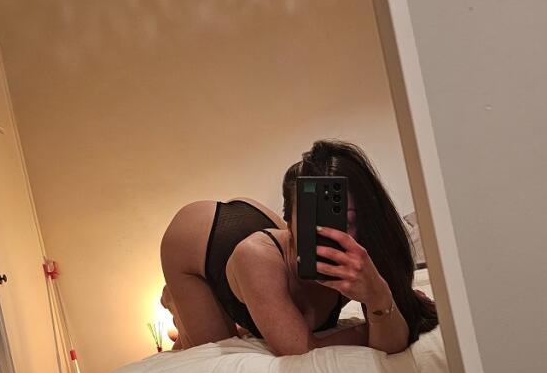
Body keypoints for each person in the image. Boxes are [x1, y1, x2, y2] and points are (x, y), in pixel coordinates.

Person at [160, 140, 437, 357]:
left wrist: (379, 296)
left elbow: (392, 343)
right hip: (195, 240)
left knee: (264, 306)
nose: (330, 234)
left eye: (347, 222)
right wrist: (375, 324)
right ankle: (173, 300)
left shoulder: (364, 253)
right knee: (210, 347)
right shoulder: (256, 257)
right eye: (311, 222)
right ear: (290, 222)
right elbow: (301, 351)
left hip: (268, 248)